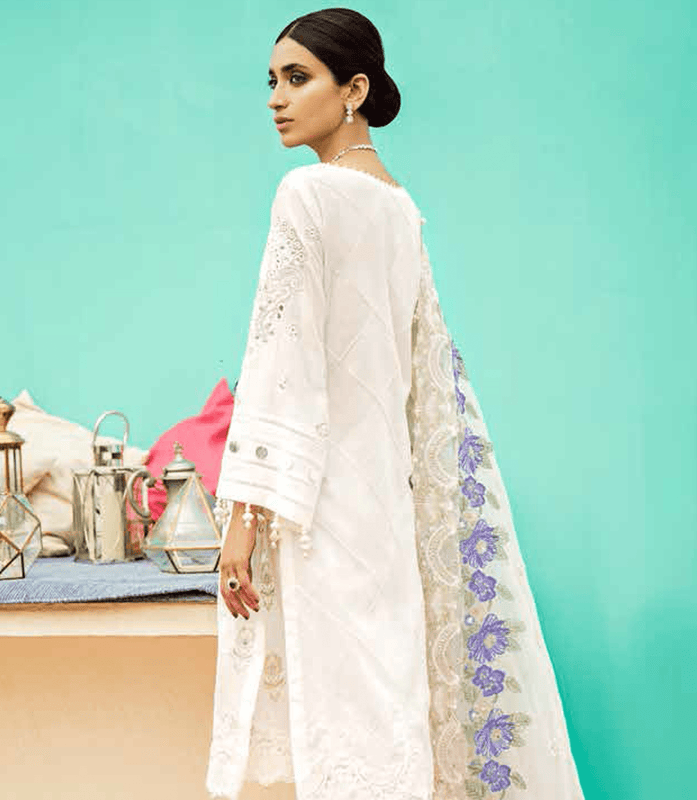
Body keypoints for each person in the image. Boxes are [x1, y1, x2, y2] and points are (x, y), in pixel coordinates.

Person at [206, 8, 586, 800]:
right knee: (385, 722)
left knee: (339, 729)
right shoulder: (400, 209)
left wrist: (244, 513)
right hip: (388, 510)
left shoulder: (306, 193)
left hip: (319, 513)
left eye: (297, 78)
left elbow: (281, 360)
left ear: (355, 90)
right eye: (271, 81)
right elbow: (422, 377)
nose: (275, 98)